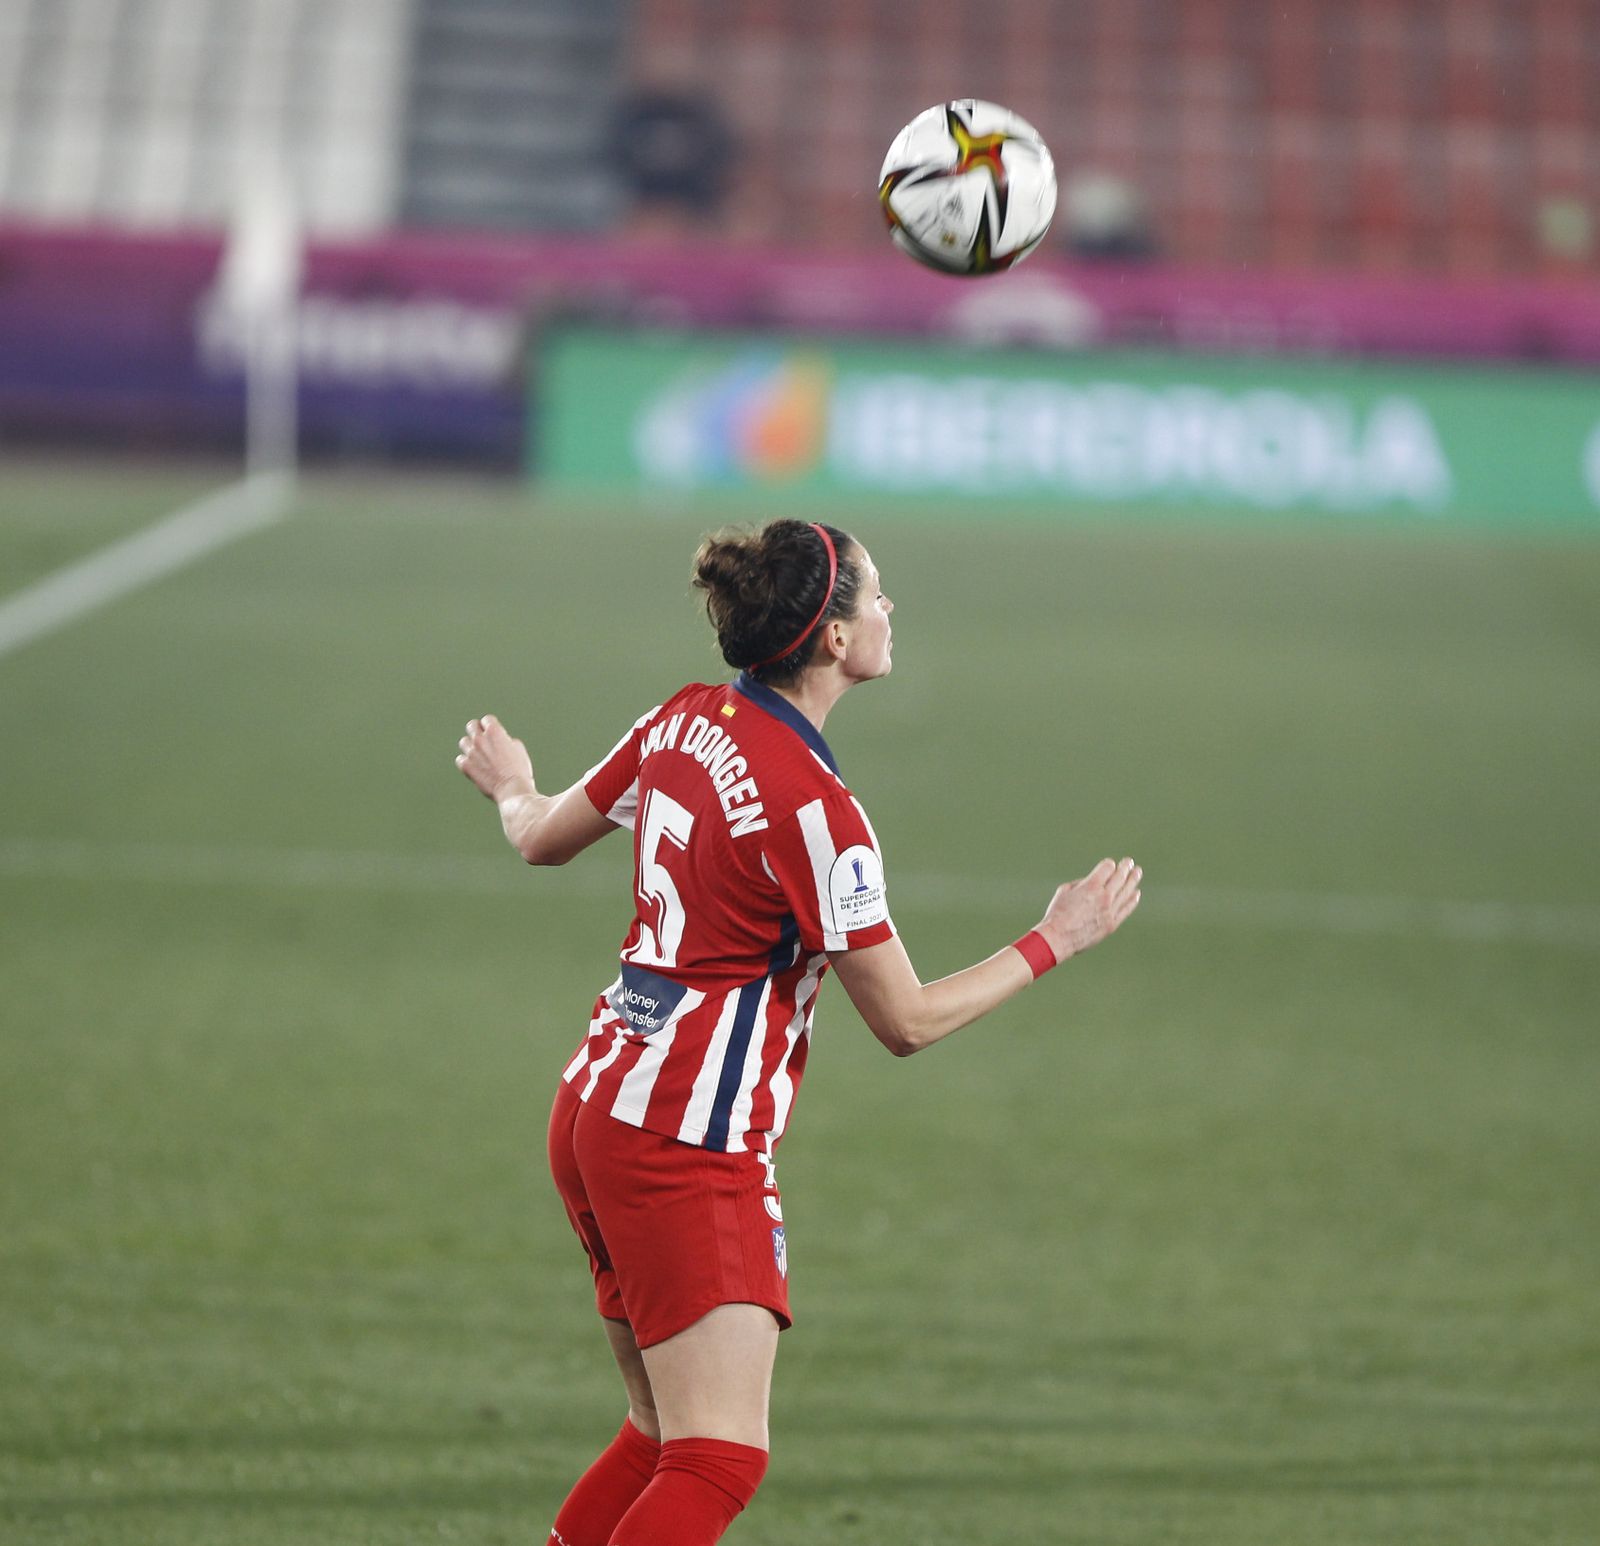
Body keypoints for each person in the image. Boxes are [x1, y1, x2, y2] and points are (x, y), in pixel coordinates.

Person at [455, 518, 1142, 1546]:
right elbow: (904, 1020)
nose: (890, 610)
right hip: (689, 1143)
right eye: (877, 596)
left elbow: (541, 838)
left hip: (596, 1111)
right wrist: (1054, 939)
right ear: (829, 635)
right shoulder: (817, 811)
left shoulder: (678, 721)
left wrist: (513, 782)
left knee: (658, 1432)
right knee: (718, 1456)